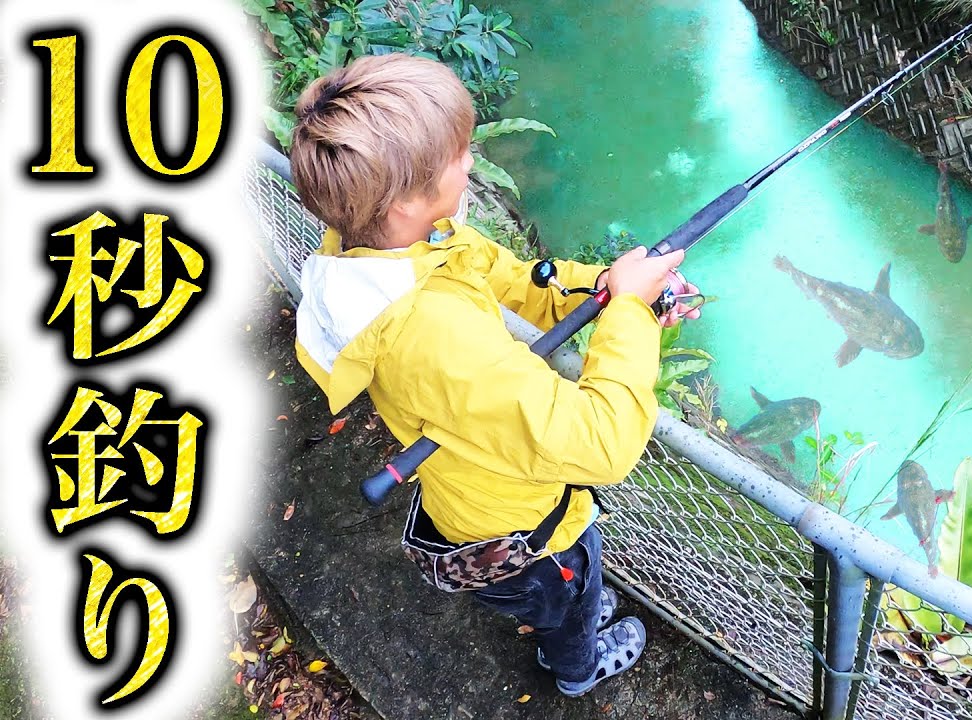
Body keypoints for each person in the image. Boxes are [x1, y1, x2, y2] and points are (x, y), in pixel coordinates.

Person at [288, 53, 701, 697]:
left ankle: (570, 625)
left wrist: (600, 287)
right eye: (458, 155)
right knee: (569, 601)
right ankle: (574, 669)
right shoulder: (431, 336)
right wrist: (627, 313)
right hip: (527, 533)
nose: (471, 161)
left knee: (568, 592)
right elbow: (603, 442)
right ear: (401, 201)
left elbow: (512, 281)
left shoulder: (393, 245)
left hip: (471, 487)